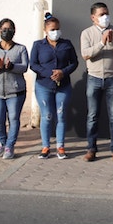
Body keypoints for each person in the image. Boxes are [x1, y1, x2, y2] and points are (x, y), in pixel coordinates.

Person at [80, 2, 113, 163]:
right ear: (93, 17)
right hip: (93, 78)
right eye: (101, 14)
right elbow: (86, 54)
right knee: (92, 116)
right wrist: (101, 43)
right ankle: (91, 149)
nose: (105, 17)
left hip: (112, 78)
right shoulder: (86, 33)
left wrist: (112, 41)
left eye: (106, 13)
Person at [30, 13, 78, 160]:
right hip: (44, 85)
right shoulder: (38, 45)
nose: (55, 32)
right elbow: (33, 64)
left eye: (57, 29)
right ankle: (45, 146)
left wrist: (63, 72)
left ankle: (60, 146)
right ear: (45, 30)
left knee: (61, 115)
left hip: (63, 86)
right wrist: (49, 73)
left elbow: (74, 62)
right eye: (52, 29)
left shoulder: (67, 44)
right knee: (47, 115)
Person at [0, 18, 29, 160]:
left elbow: (25, 66)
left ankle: (10, 146)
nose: (6, 32)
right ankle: (1, 143)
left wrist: (12, 67)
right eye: (4, 29)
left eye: (9, 29)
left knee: (14, 119)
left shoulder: (20, 48)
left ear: (14, 31)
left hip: (15, 91)